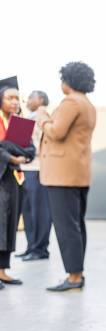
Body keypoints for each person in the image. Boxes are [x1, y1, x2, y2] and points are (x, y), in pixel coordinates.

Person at [38, 62, 96, 292]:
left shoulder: (72, 102)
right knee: (76, 225)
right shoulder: (88, 104)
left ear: (69, 80)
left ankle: (73, 277)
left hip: (62, 176)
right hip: (78, 174)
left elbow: (57, 132)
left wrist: (42, 118)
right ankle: (77, 273)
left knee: (66, 227)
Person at [0, 76, 36, 289]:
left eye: (17, 98)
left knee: (9, 225)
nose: (15, 102)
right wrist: (11, 155)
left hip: (13, 180)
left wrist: (9, 150)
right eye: (10, 98)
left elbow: (30, 150)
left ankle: (2, 271)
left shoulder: (20, 124)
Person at [18, 90, 52, 261]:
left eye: (31, 97)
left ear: (40, 100)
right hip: (26, 169)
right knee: (28, 211)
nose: (27, 99)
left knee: (39, 211)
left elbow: (35, 142)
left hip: (37, 169)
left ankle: (40, 249)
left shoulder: (42, 114)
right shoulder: (29, 116)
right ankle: (31, 247)